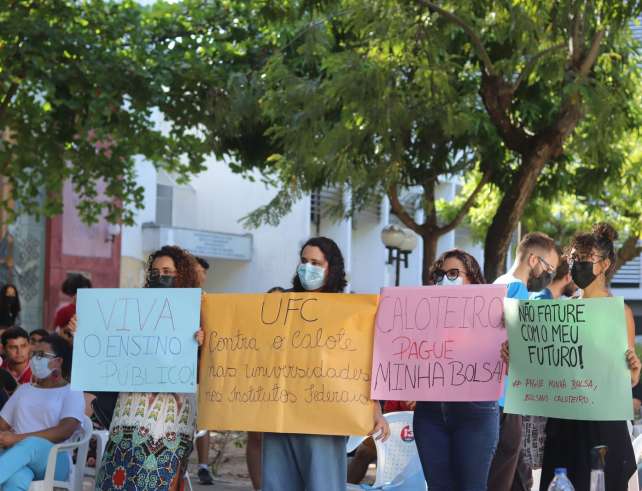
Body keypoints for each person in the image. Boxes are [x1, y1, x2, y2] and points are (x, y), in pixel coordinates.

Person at [261, 237, 390, 491]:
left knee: (323, 484)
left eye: (316, 263)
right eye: (304, 261)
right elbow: (253, 351)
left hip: (325, 418)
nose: (307, 268)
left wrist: (376, 411)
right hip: (280, 415)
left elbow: (361, 364)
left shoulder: (349, 312)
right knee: (278, 484)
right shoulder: (279, 306)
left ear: (331, 267)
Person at [537, 223, 640, 490]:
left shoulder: (620, 313)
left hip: (601, 423)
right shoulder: (561, 310)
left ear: (605, 264)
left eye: (584, 258)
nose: (576, 264)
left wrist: (633, 371)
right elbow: (546, 364)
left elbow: (627, 378)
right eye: (573, 258)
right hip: (564, 421)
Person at [95, 245, 204, 491]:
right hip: (130, 408)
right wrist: (83, 329)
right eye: (154, 272)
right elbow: (110, 344)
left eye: (167, 271)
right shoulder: (133, 309)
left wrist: (201, 345)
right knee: (120, 474)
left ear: (182, 274)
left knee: (159, 479)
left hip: (171, 413)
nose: (159, 276)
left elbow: (206, 367)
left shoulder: (197, 310)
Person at [411, 249, 500, 491]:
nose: (445, 279)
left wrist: (509, 352)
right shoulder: (420, 315)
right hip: (430, 414)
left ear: (472, 278)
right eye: (440, 275)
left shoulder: (494, 315)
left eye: (453, 273)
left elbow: (508, 361)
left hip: (475, 413)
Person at [490, 232, 559, 491]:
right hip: (507, 400)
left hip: (496, 397)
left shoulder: (499, 283)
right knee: (505, 473)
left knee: (518, 474)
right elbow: (521, 345)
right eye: (548, 267)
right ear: (533, 260)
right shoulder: (518, 289)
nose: (548, 274)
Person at [0, 334, 85, 490]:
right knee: (16, 479)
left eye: (41, 355)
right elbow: (2, 424)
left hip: (55, 459)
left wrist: (15, 438)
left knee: (31, 444)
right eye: (33, 354)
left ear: (58, 361)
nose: (34, 359)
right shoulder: (24, 389)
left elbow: (64, 431)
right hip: (18, 459)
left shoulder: (72, 392)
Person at [246, 285, 285, 491]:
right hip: (258, 389)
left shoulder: (297, 329)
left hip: (288, 393)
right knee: (256, 438)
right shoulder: (255, 330)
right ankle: (258, 487)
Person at [348, 400, 416, 485]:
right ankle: (346, 485)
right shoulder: (399, 394)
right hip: (396, 432)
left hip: (426, 433)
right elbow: (389, 414)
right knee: (363, 452)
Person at [193, 256, 215, 486]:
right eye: (197, 271)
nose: (201, 276)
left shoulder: (208, 300)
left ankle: (203, 466)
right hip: (175, 367)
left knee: (202, 418)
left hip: (200, 366)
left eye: (203, 272)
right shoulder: (175, 298)